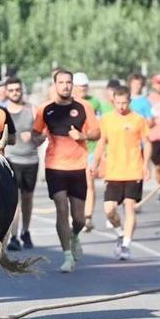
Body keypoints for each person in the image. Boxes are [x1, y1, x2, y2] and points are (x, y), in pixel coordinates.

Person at [32, 69, 100, 272]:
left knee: (79, 218)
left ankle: (75, 235)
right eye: (61, 82)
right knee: (61, 207)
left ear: (72, 84)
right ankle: (67, 256)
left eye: (68, 82)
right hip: (55, 166)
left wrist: (83, 136)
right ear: (55, 85)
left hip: (78, 166)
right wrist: (38, 139)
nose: (65, 86)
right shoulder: (45, 109)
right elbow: (35, 133)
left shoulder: (84, 106)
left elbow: (97, 132)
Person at [91, 86, 151, 260]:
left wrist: (145, 165)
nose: (122, 106)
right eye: (118, 103)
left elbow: (147, 143)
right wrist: (94, 164)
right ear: (113, 102)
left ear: (129, 101)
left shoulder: (138, 120)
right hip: (113, 172)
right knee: (109, 210)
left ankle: (126, 245)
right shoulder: (107, 120)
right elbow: (101, 143)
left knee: (129, 207)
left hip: (133, 170)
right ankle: (119, 233)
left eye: (125, 103)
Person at [3, 77, 39, 251]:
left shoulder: (32, 110)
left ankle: (26, 231)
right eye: (11, 90)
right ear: (6, 92)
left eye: (17, 89)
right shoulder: (2, 112)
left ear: (22, 90)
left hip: (31, 160)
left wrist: (33, 137)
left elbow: (42, 136)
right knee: (14, 200)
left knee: (27, 199)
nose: (15, 93)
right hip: (12, 159)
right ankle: (14, 237)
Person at [73, 72, 103, 232]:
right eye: (80, 86)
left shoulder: (95, 102)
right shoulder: (69, 102)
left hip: (91, 149)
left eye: (85, 85)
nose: (83, 88)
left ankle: (88, 216)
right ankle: (77, 215)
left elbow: (101, 124)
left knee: (89, 183)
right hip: (74, 151)